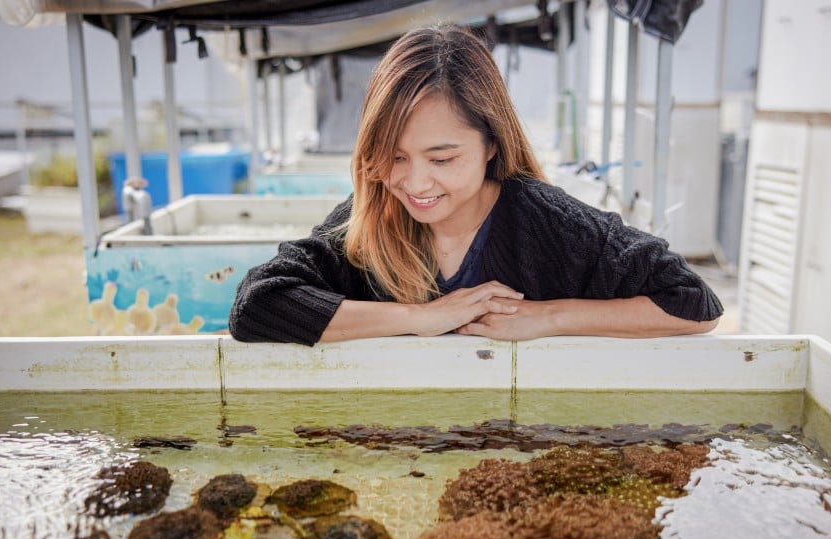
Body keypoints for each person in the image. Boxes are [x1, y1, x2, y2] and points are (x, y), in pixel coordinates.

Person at [229, 24, 722, 345]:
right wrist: (419, 318)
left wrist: (549, 317)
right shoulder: (369, 219)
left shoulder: (547, 222)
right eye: (394, 157)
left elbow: (693, 302)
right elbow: (256, 304)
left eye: (442, 158)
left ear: (491, 145)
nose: (415, 182)